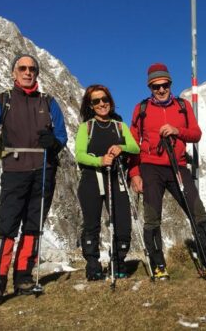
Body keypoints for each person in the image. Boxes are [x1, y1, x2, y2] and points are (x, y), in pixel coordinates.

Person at [0, 54, 67, 305]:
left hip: (44, 170)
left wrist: (55, 143)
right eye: (23, 68)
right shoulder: (2, 101)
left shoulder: (49, 102)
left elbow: (61, 134)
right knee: (6, 227)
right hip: (14, 171)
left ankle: (24, 277)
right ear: (14, 73)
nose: (28, 72)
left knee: (33, 226)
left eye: (32, 69)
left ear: (37, 74)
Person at [128, 63, 206, 280]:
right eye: (156, 87)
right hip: (150, 167)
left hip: (178, 166)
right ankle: (158, 265)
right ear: (150, 87)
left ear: (170, 84)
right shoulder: (141, 109)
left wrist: (176, 131)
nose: (161, 90)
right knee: (152, 217)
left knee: (197, 211)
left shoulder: (182, 106)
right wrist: (134, 173)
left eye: (165, 85)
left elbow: (196, 134)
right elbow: (133, 143)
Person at [75, 85, 139, 281]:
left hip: (116, 179)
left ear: (110, 101)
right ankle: (93, 266)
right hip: (91, 180)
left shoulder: (120, 126)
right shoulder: (86, 128)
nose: (101, 104)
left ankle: (118, 263)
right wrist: (100, 160)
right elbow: (79, 155)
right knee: (91, 225)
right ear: (91, 106)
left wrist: (121, 147)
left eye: (104, 99)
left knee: (122, 223)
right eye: (96, 101)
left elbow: (135, 148)